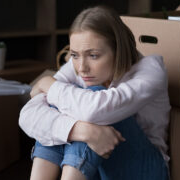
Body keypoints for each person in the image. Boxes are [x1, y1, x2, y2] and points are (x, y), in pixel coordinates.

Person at [19, 5, 171, 180]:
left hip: (145, 171)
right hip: (98, 167)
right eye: (75, 55)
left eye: (93, 56)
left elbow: (93, 110)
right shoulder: (77, 66)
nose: (82, 68)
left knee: (87, 101)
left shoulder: (151, 70)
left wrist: (48, 83)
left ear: (118, 50)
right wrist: (84, 132)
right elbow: (27, 115)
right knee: (57, 107)